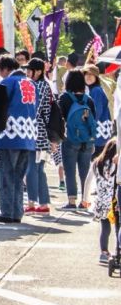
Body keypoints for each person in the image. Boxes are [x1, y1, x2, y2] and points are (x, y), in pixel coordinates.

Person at [0, 54, 38, 223]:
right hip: (28, 134)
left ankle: (7, 212)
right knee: (19, 176)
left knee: (4, 173)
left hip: (8, 133)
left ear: (4, 69)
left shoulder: (6, 83)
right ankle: (17, 212)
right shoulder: (31, 84)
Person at [58, 68, 97, 211]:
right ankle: (85, 201)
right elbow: (94, 119)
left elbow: (59, 117)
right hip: (87, 140)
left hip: (70, 138)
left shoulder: (65, 98)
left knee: (70, 170)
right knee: (85, 171)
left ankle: (72, 201)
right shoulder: (89, 99)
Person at [24, 57, 54, 214]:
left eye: (30, 70)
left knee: (31, 168)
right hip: (43, 134)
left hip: (33, 133)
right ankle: (43, 203)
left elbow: (32, 111)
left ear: (39, 71)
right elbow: (47, 113)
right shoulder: (46, 86)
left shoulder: (35, 86)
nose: (27, 73)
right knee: (39, 169)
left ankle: (31, 202)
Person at [92, 137, 117, 263]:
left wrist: (85, 198)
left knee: (105, 228)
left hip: (101, 201)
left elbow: (89, 181)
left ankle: (104, 252)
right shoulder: (116, 164)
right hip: (114, 201)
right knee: (118, 226)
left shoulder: (97, 162)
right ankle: (118, 250)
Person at [83, 62, 113, 154]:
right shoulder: (92, 89)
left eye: (92, 74)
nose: (88, 76)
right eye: (86, 74)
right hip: (100, 131)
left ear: (96, 77)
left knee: (95, 162)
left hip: (97, 132)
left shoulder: (96, 90)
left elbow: (96, 111)